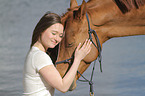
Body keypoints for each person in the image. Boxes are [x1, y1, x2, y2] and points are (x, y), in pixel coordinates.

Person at [23, 12, 92, 96]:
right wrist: (78, 59)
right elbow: (63, 87)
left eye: (60, 36)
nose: (57, 39)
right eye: (53, 33)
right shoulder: (40, 56)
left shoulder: (34, 53)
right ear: (41, 30)